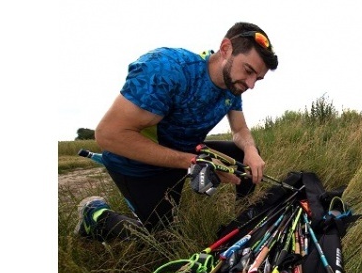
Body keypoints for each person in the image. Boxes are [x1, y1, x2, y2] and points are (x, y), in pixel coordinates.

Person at [75, 22, 279, 241]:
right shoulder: (167, 68)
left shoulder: (232, 85)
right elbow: (108, 135)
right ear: (226, 48)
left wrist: (250, 149)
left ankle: (241, 220)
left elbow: (240, 129)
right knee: (164, 244)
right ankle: (95, 214)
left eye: (257, 78)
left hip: (185, 154)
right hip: (140, 166)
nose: (250, 84)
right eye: (248, 71)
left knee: (247, 152)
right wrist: (193, 162)